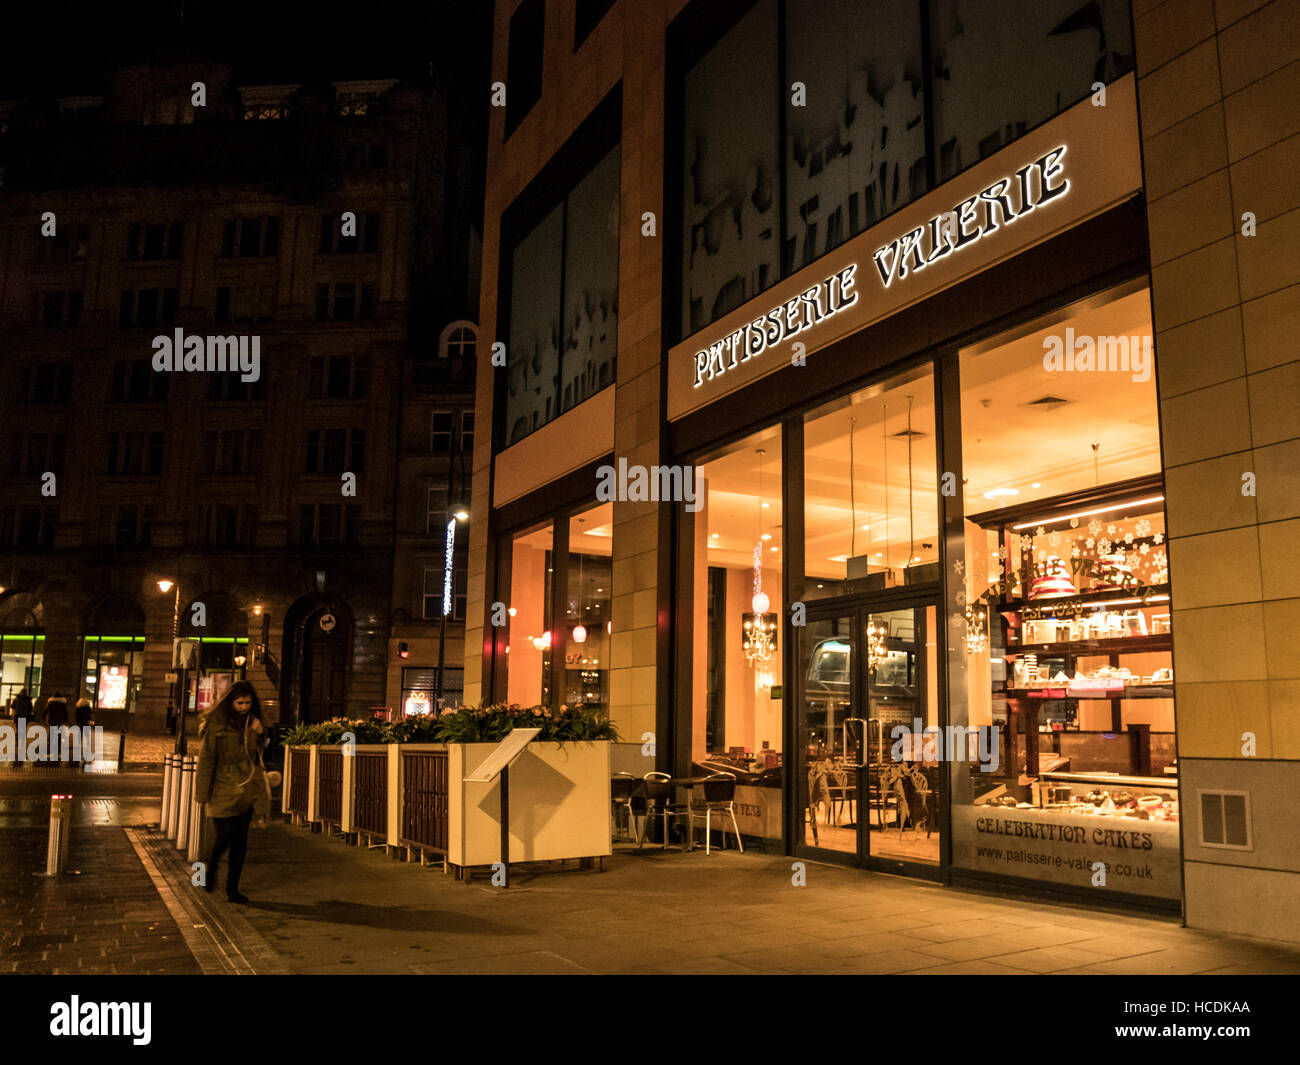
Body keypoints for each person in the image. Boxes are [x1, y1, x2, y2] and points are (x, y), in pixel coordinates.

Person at [194, 680, 269, 904]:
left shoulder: (254, 723)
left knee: (241, 841)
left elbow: (261, 755)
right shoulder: (217, 725)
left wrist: (261, 732)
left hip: (246, 788)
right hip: (221, 787)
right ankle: (210, 864)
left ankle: (232, 889)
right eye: (240, 703)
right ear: (230, 702)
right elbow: (207, 759)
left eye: (247, 702)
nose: (244, 707)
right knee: (224, 836)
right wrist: (202, 792)